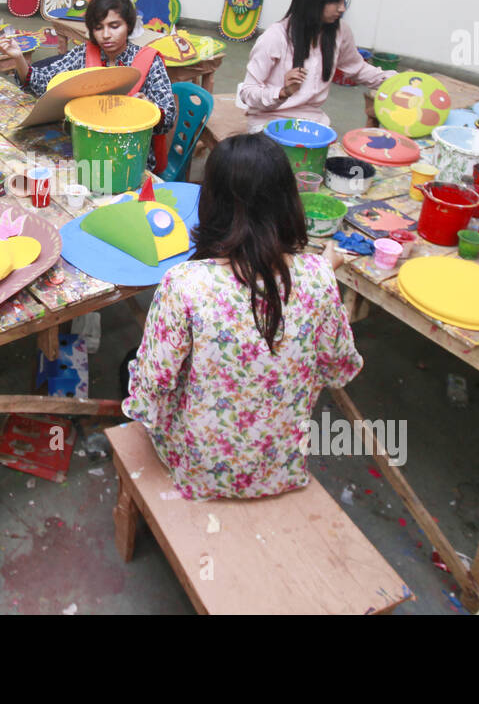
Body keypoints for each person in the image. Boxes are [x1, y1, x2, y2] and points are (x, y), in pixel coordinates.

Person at [122, 133, 363, 501]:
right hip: (280, 466)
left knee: (133, 364)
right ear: (288, 201)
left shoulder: (185, 284)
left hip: (199, 470)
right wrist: (322, 277)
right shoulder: (318, 277)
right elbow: (339, 369)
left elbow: (149, 390)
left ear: (211, 201)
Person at [236, 0, 392, 131]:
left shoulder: (340, 31)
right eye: (335, 1)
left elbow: (359, 69)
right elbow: (247, 93)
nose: (342, 8)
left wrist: (402, 82)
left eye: (343, 1)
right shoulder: (275, 37)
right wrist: (283, 92)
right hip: (267, 122)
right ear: (313, 0)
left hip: (312, 121)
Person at [0, 0, 177, 132]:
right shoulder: (84, 54)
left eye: (114, 26)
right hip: (84, 142)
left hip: (131, 153)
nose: (106, 35)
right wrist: (18, 57)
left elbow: (168, 118)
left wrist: (147, 107)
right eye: (99, 28)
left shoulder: (149, 61)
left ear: (128, 26)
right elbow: (44, 84)